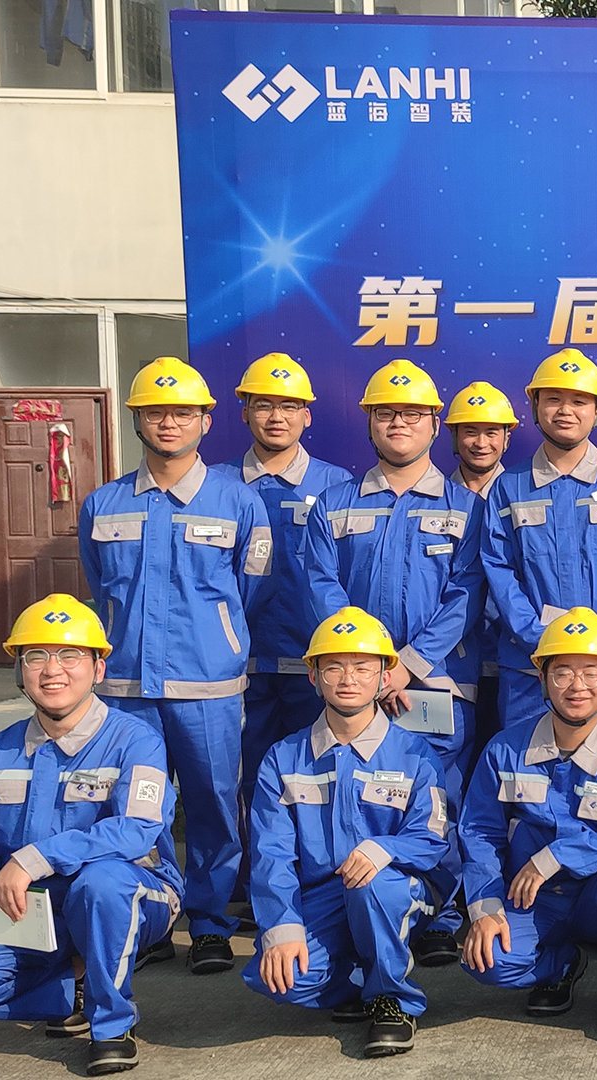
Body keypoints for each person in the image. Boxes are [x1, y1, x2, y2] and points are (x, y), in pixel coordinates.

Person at [0, 595, 181, 1076]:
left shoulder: (136, 740)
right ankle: (73, 981)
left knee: (101, 884)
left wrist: (34, 858)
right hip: (34, 915)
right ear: (19, 670)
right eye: (35, 656)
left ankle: (112, 1024)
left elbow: (138, 829)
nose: (52, 670)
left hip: (131, 895)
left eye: (70, 655)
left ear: (99, 668)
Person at [78, 355, 273, 976]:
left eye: (183, 413)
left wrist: (216, 637)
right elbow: (100, 587)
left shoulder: (239, 502)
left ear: (206, 421)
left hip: (208, 685)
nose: (169, 423)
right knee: (139, 805)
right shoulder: (103, 503)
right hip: (125, 686)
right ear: (137, 419)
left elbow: (251, 588)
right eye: (156, 412)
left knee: (214, 803)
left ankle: (210, 923)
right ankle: (155, 917)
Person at [304, 358, 482, 968]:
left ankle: (441, 912)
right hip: (356, 680)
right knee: (359, 793)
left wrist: (407, 664)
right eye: (385, 413)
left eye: (411, 414)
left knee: (440, 798)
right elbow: (321, 586)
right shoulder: (333, 506)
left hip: (435, 683)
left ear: (434, 424)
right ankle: (361, 903)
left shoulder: (467, 508)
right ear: (369, 423)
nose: (398, 423)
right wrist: (372, 667)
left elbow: (467, 593)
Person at [242, 609, 449, 1058]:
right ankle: (362, 975)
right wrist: (282, 923)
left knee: (374, 888)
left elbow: (434, 837)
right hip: (325, 896)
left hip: (399, 886)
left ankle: (392, 1000)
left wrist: (384, 848)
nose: (349, 679)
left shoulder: (416, 754)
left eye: (363, 667)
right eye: (334, 666)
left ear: (385, 676)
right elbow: (270, 855)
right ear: (313, 676)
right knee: (277, 977)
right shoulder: (283, 758)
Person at [461, 609, 597, 1041]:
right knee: (485, 960)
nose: (577, 686)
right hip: (533, 901)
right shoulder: (504, 749)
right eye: (563, 673)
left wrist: (556, 856)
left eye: (592, 673)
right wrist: (485, 906)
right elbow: (479, 831)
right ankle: (561, 964)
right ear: (542, 679)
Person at [214, 354, 353, 840]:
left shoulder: (338, 486)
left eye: (289, 406)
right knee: (243, 781)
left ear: (307, 416)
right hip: (239, 667)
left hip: (312, 665)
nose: (277, 417)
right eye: (264, 405)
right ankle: (252, 876)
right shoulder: (215, 485)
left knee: (315, 780)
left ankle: (309, 871)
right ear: (245, 412)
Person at [482, 348, 597, 732]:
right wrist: (540, 640)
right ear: (534, 406)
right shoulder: (508, 487)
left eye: (579, 401)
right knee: (527, 763)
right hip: (531, 664)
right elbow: (499, 571)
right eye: (554, 399)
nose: (565, 411)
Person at [444, 380, 519, 757]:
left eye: (491, 432)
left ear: (507, 437)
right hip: (449, 664)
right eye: (469, 431)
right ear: (453, 437)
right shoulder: (436, 500)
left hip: (516, 660)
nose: (480, 442)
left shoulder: (522, 496)